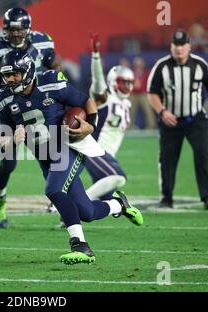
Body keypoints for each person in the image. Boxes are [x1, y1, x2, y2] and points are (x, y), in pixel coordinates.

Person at [0, 50, 143, 264]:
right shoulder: (2, 99)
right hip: (45, 157)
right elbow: (2, 144)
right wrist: (14, 140)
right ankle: (120, 205)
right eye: (6, 75)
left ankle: (81, 246)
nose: (10, 79)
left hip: (70, 145)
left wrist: (90, 126)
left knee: (53, 190)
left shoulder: (51, 82)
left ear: (27, 71)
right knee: (87, 212)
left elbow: (86, 101)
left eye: (14, 74)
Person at [0, 7, 61, 228]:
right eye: (11, 29)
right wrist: (11, 94)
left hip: (36, 112)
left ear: (28, 29)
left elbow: (55, 67)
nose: (16, 33)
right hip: (8, 111)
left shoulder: (44, 42)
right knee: (8, 163)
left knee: (50, 159)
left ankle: (63, 206)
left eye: (20, 28)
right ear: (5, 29)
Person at [48, 35, 132, 215]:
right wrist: (95, 55)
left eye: (129, 83)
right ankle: (70, 208)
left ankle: (68, 208)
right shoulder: (105, 98)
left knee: (103, 202)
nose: (127, 86)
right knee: (117, 178)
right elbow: (98, 82)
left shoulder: (126, 104)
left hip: (108, 155)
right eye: (123, 82)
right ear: (113, 82)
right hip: (96, 150)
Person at [147, 29, 208, 209]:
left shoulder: (199, 65)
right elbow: (152, 93)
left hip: (195, 119)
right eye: (176, 45)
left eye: (182, 45)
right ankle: (167, 197)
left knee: (203, 154)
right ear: (171, 46)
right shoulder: (162, 66)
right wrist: (162, 112)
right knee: (167, 159)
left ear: (189, 46)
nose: (179, 48)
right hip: (170, 121)